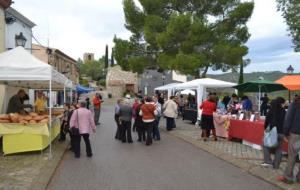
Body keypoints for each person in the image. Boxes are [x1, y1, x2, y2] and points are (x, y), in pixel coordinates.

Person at [278, 96, 300, 184]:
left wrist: (286, 132)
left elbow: (288, 119)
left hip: (296, 133)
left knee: (292, 156)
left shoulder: (295, 104)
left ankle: (288, 177)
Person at [261, 97, 286, 169]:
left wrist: (266, 130)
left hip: (272, 133)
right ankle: (276, 165)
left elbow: (266, 123)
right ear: (280, 104)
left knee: (265, 145)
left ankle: (268, 161)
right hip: (281, 133)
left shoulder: (270, 111)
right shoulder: (284, 111)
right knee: (279, 149)